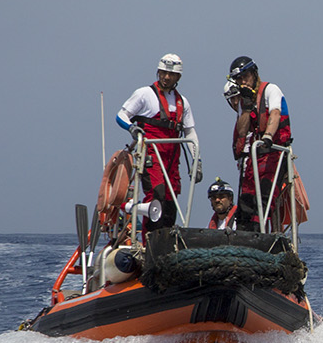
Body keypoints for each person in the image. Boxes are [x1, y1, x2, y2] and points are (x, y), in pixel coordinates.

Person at [116, 53, 203, 207]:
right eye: (164, 73)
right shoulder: (144, 94)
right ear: (158, 72)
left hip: (173, 159)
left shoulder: (183, 102)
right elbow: (121, 115)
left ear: (178, 77)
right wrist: (132, 129)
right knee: (157, 194)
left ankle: (168, 230)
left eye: (171, 74)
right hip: (151, 154)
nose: (167, 77)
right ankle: (149, 231)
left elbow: (190, 133)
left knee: (171, 200)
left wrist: (197, 161)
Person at [224, 55, 292, 232]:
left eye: (245, 77)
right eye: (238, 79)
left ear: (254, 74)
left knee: (265, 197)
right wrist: (246, 107)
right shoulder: (243, 101)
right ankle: (247, 236)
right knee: (246, 200)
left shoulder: (271, 90)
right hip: (254, 158)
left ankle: (270, 236)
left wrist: (268, 136)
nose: (242, 82)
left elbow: (275, 114)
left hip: (273, 154)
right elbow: (242, 130)